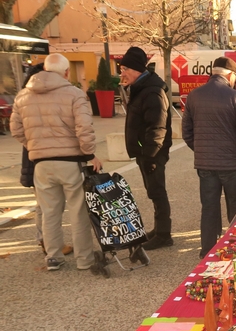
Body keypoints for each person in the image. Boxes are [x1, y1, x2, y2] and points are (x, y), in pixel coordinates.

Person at [10, 53, 102, 271]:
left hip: (41, 163)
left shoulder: (23, 96)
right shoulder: (74, 94)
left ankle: (53, 257)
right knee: (78, 212)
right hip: (71, 161)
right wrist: (89, 154)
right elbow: (84, 128)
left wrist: (35, 146)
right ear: (67, 72)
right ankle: (84, 259)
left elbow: (16, 129)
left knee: (49, 212)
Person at [183, 57, 236, 257]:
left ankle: (207, 251)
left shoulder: (194, 96)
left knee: (209, 207)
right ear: (230, 75)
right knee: (235, 206)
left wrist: (201, 151)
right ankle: (235, 246)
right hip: (232, 164)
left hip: (205, 164)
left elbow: (187, 132)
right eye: (235, 78)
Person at [119, 46, 173, 250]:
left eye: (125, 69)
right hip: (145, 152)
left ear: (137, 69)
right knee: (153, 191)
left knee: (158, 191)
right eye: (121, 68)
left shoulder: (152, 91)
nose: (122, 73)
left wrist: (150, 156)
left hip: (153, 153)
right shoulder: (141, 88)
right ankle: (159, 229)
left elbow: (157, 127)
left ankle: (164, 234)